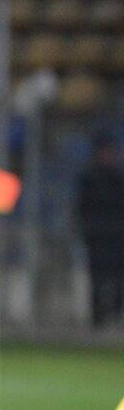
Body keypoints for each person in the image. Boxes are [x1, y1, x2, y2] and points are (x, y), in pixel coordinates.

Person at [77, 132, 124, 328]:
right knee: (97, 278)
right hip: (97, 236)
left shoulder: (118, 178)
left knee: (118, 278)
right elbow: (83, 208)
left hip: (117, 236)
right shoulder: (89, 179)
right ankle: (98, 318)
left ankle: (115, 314)